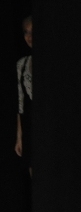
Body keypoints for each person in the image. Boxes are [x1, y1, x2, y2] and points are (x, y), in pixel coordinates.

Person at [15, 15, 33, 178]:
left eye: (33, 32)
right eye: (26, 32)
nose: (29, 37)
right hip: (30, 127)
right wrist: (19, 137)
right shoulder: (22, 64)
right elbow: (20, 104)